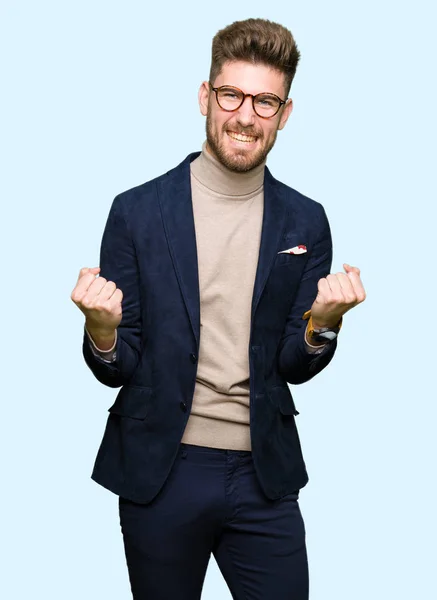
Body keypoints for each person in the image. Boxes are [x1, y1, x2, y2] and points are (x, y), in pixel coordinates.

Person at [71, 17, 366, 600]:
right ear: (205, 97)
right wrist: (102, 332)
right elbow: (119, 365)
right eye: (231, 94)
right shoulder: (135, 211)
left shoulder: (306, 221)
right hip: (162, 469)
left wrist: (322, 325)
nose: (245, 114)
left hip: (264, 473)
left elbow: (292, 363)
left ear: (284, 113)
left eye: (265, 101)